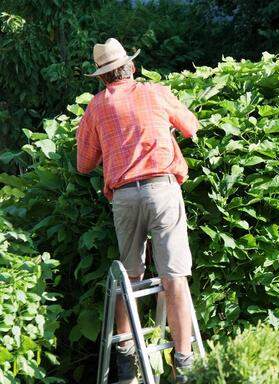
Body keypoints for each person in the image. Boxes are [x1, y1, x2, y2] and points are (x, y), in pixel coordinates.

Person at [76, 38, 198, 384]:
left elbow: (84, 164)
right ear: (131, 66)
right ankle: (184, 363)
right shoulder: (154, 92)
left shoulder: (97, 107)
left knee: (128, 278)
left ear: (101, 77)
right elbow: (191, 127)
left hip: (126, 197)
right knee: (175, 276)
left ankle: (126, 364)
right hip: (162, 189)